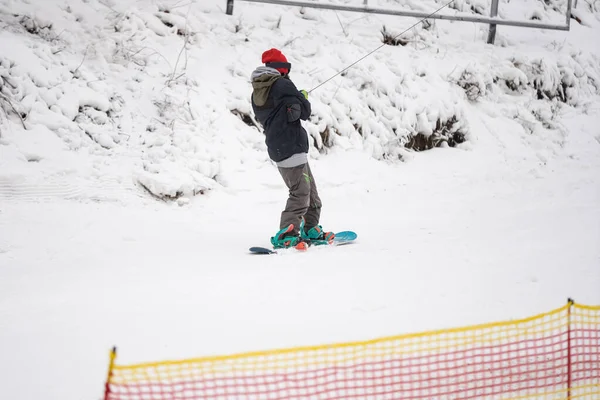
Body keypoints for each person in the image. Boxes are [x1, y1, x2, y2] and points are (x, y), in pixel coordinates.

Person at [250, 48, 334, 249]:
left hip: (281, 147)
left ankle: (311, 228)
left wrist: (295, 99)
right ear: (281, 69)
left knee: (310, 192)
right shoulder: (282, 84)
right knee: (300, 192)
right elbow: (303, 112)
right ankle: (286, 233)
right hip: (291, 145)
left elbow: (286, 112)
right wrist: (302, 96)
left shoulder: (258, 91)